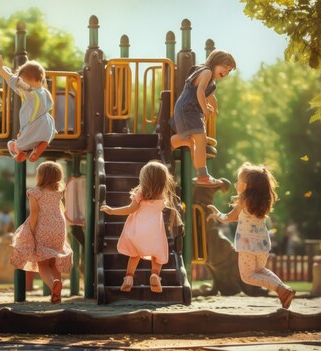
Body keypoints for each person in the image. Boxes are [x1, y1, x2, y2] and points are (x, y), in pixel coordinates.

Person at [207, 162, 295, 309]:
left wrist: (217, 215)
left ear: (248, 185)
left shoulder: (243, 200)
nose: (236, 184)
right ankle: (284, 290)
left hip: (248, 245)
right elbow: (239, 217)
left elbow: (230, 217)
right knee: (260, 271)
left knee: (247, 276)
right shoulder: (262, 201)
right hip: (262, 245)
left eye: (238, 181)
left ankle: (281, 290)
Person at [100, 161, 182, 293]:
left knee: (135, 255)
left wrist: (111, 210)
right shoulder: (162, 195)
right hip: (154, 232)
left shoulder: (140, 192)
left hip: (137, 231)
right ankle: (155, 275)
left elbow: (130, 209)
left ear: (144, 178)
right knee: (157, 255)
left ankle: (128, 278)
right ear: (163, 180)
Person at [170, 49, 236, 187]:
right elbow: (199, 92)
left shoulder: (211, 81)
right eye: (224, 67)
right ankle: (203, 175)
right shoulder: (206, 72)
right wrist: (205, 110)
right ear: (214, 62)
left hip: (188, 109)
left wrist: (213, 106)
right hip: (187, 109)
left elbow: (208, 95)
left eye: (229, 70)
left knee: (191, 141)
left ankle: (167, 144)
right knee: (201, 138)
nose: (226, 72)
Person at [9, 161, 72, 303]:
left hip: (43, 227)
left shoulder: (34, 192)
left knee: (42, 263)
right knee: (54, 263)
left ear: (40, 176)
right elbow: (62, 210)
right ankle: (57, 294)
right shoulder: (58, 192)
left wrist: (29, 230)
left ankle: (53, 285)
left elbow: (35, 213)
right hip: (58, 228)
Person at [0, 55, 57, 162]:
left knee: (20, 142)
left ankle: (19, 149)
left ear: (28, 81)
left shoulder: (30, 92)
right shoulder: (44, 92)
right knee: (43, 139)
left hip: (34, 125)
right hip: (48, 125)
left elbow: (13, 81)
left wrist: (0, 69)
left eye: (23, 81)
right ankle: (38, 149)